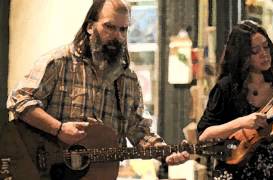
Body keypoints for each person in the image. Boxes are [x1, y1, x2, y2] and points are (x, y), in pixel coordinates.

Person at [7, 0, 189, 179]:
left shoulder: (127, 78)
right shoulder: (59, 62)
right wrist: (59, 129)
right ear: (90, 27)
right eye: (109, 27)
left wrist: (165, 153)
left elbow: (139, 130)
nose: (117, 35)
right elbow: (19, 100)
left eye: (123, 29)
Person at [197, 20, 273, 179]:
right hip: (231, 174)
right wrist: (242, 122)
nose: (264, 53)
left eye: (266, 46)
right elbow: (204, 136)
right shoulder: (226, 88)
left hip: (268, 174)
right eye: (255, 50)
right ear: (242, 55)